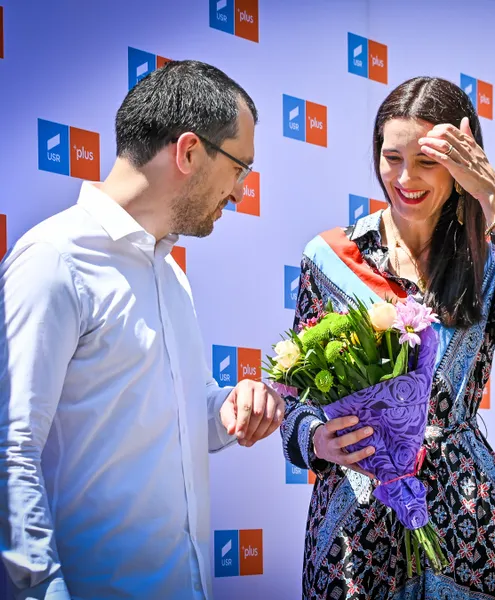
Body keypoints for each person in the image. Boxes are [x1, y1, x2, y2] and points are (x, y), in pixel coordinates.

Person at [0, 60, 285, 599]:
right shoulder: (55, 260)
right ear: (188, 152)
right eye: (239, 169)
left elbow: (185, 417)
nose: (241, 194)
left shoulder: (171, 276)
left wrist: (230, 410)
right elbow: (10, 447)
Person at [280, 76, 495, 599]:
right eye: (392, 158)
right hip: (356, 522)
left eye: (428, 161)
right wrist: (316, 440)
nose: (406, 177)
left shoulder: (489, 258)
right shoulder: (331, 258)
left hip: (467, 516)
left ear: (462, 168)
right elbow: (293, 397)